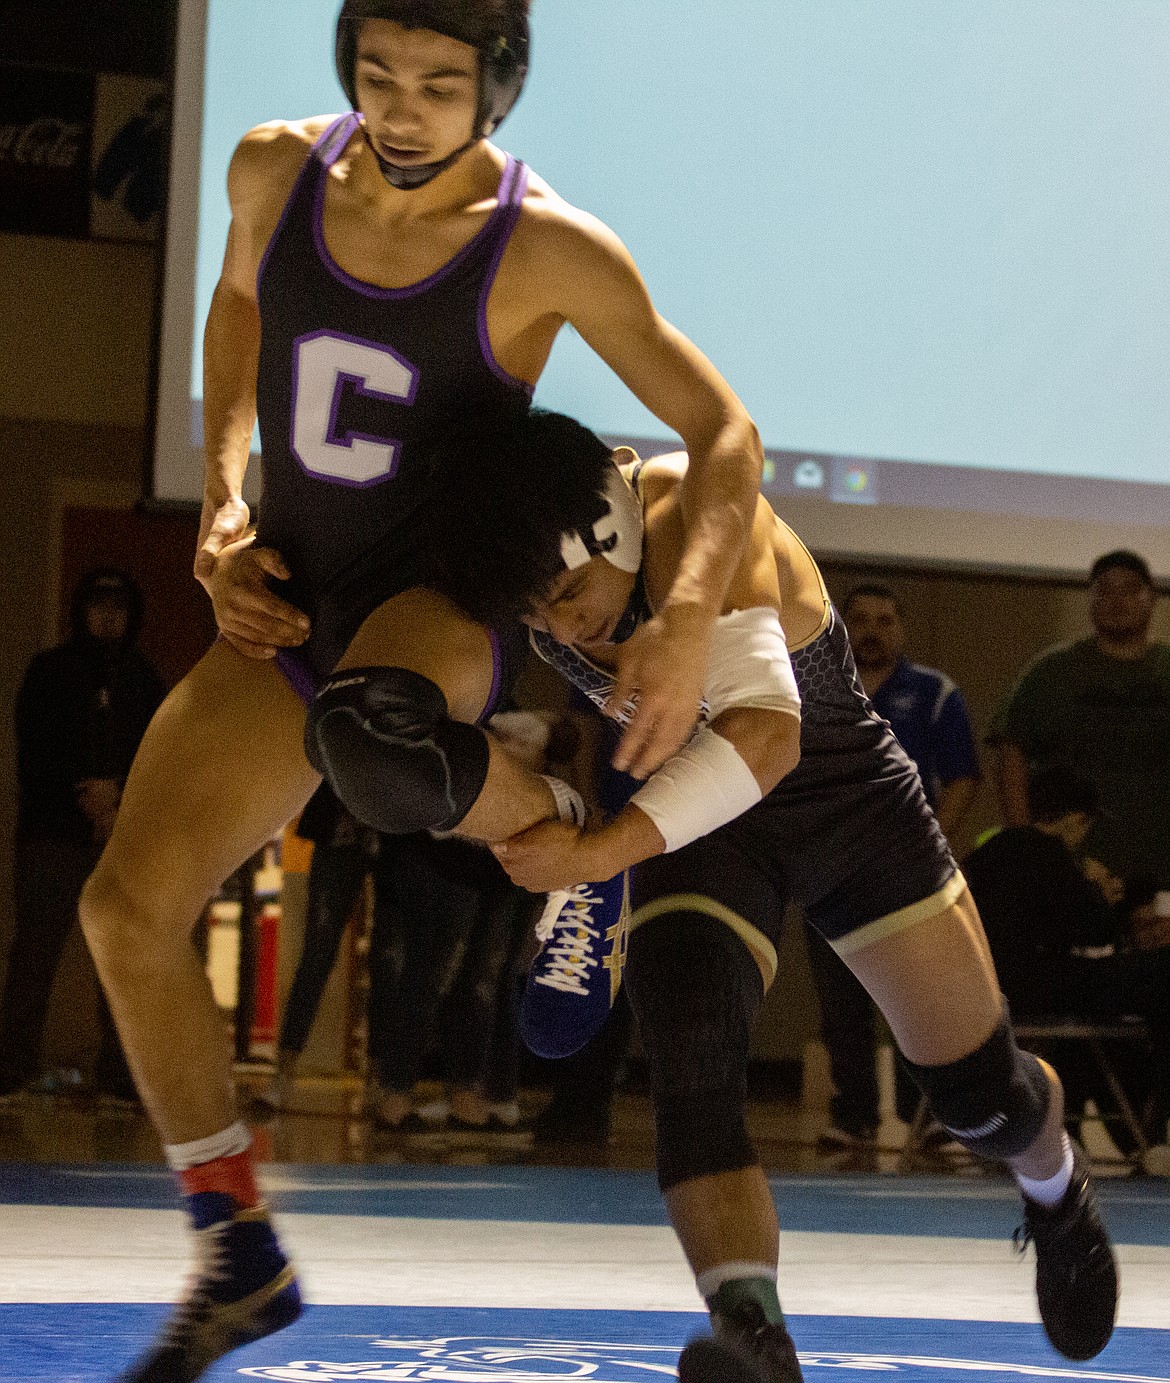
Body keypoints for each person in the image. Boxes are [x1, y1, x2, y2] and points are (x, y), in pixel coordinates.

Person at [78, 6, 765, 1377]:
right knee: (125, 910)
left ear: (499, 91)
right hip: (288, 589)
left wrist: (685, 620)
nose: (403, 111)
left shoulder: (548, 245)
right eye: (381, 77)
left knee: (372, 734)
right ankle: (238, 1252)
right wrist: (221, 501)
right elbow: (233, 313)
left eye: (441, 87)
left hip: (440, 596)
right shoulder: (272, 170)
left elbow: (722, 428)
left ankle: (566, 820)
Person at [424, 407, 1120, 1383]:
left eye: (573, 595)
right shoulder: (545, 572)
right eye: (538, 616)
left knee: (982, 1103)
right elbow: (606, 726)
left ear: (612, 523)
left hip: (840, 798)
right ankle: (753, 1332)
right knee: (694, 1060)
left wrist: (601, 854)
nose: (563, 624)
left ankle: (1054, 1188)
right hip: (700, 823)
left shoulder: (694, 520)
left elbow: (766, 737)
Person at [805, 583, 982, 1146]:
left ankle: (930, 1119)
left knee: (920, 1000)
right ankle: (853, 1116)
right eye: (858, 620)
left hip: (910, 868)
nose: (872, 631)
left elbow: (962, 778)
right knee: (843, 1003)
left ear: (901, 629)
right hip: (830, 866)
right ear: (839, 625)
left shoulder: (934, 692)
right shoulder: (811, 685)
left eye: (885, 620)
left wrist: (930, 842)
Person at [0, 568, 165, 1104]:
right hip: (52, 833)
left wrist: (120, 797)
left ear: (131, 613)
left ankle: (120, 1077)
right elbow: (35, 748)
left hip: (123, 837)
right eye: (98, 605)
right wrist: (86, 791)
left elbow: (158, 753)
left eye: (117, 607)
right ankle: (11, 1071)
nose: (107, 616)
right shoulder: (50, 671)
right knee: (34, 956)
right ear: (82, 609)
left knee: (120, 959)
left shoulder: (143, 679)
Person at [964, 766, 1170, 1151]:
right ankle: (1156, 1124)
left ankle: (1133, 1129)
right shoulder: (1050, 855)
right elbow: (1095, 931)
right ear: (1076, 820)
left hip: (988, 988)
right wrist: (1102, 893)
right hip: (1041, 986)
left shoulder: (988, 852)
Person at [989, 549, 1170, 893]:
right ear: (1090, 598)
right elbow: (1011, 755)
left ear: (1153, 597)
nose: (1117, 601)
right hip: (1070, 869)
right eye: (1105, 590)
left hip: (1160, 869)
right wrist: (1026, 845)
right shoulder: (1051, 672)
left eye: (1131, 589)